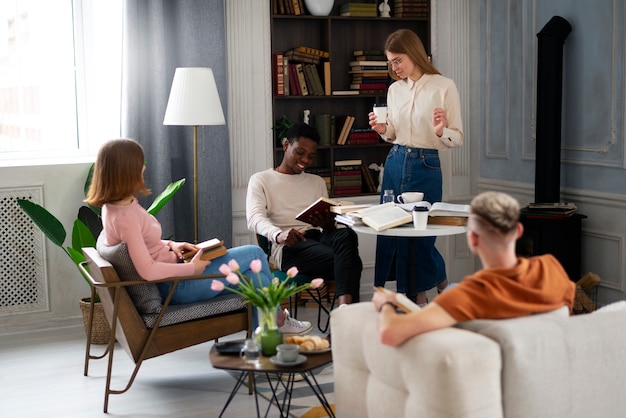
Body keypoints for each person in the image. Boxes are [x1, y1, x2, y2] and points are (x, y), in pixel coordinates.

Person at [84, 138, 312, 335]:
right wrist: (192, 269)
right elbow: (148, 270)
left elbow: (143, 243)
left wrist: (172, 245)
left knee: (256, 280)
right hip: (178, 287)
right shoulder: (125, 216)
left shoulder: (115, 207)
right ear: (127, 170)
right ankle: (277, 324)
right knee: (254, 255)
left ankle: (266, 345)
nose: (143, 168)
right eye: (139, 164)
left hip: (177, 274)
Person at [372, 191, 576, 346]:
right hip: (549, 379)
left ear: (472, 238)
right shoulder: (551, 269)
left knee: (451, 289)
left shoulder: (470, 295)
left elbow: (390, 333)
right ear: (518, 230)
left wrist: (386, 304)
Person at [368, 28, 464, 305]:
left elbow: (457, 137)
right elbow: (394, 133)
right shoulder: (394, 90)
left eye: (398, 60)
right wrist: (383, 129)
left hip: (426, 163)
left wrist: (440, 130)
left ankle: (426, 296)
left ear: (414, 53)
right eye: (390, 62)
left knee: (421, 233)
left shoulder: (444, 86)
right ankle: (406, 299)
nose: (394, 67)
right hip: (396, 160)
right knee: (391, 230)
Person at [246, 123, 363, 307]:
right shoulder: (261, 180)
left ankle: (343, 313)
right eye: (300, 152)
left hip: (318, 238)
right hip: (290, 245)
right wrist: (279, 234)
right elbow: (254, 218)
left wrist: (328, 225)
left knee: (347, 235)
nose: (306, 160)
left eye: (311, 156)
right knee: (349, 260)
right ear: (286, 146)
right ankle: (345, 312)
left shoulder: (316, 182)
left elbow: (327, 228)